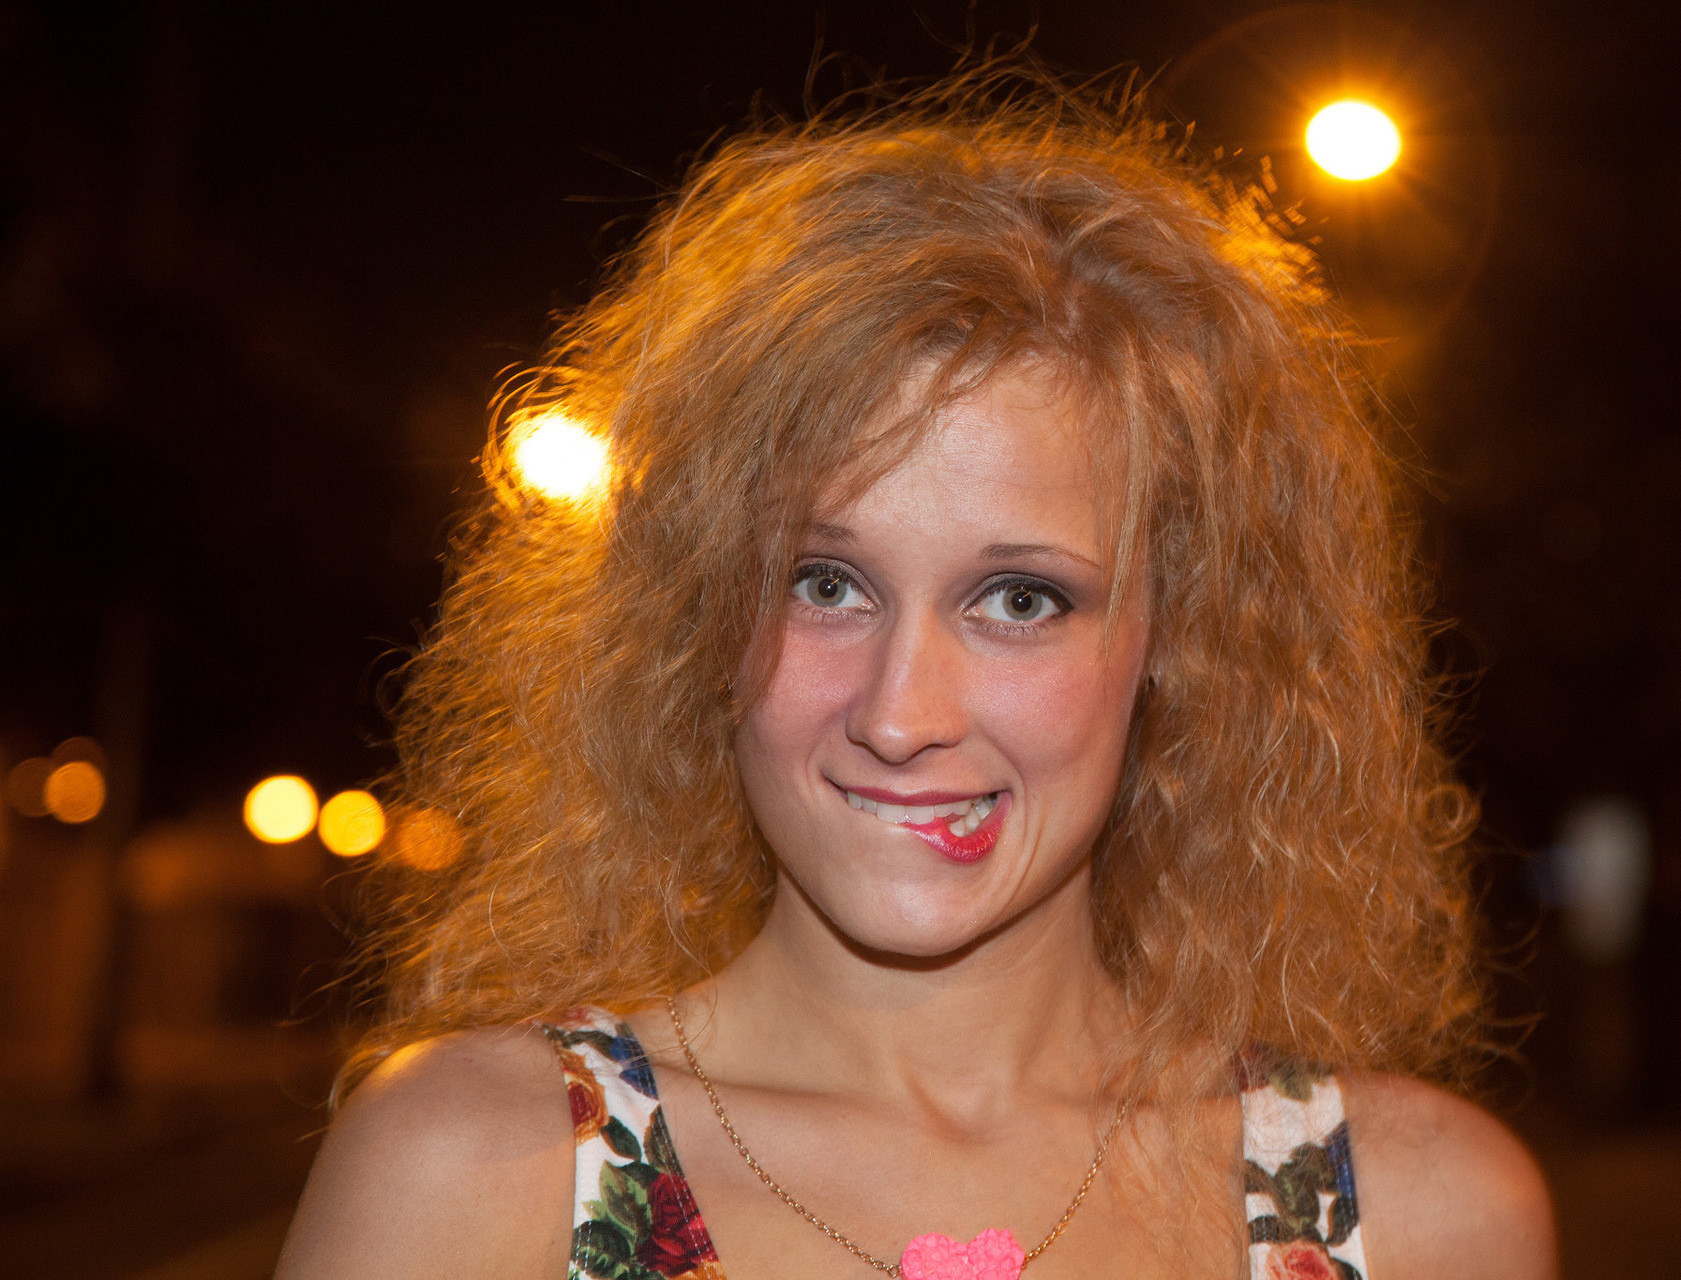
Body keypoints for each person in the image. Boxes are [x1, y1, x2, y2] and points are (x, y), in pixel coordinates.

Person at [276, 72, 1555, 1280]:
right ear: (698, 614)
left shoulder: (1422, 1215)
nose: (899, 714)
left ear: (1182, 641)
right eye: (824, 584)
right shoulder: (471, 1173)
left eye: (1019, 600)